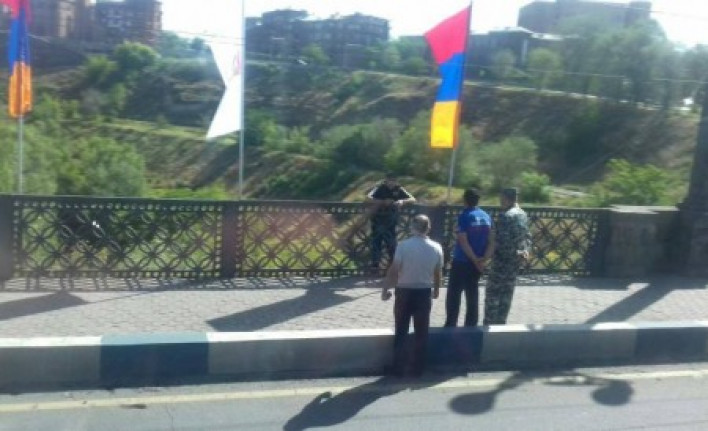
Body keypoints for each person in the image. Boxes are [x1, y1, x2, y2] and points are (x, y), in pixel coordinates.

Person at [381, 214, 443, 377]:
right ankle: (418, 368)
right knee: (421, 332)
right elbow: (437, 273)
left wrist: (385, 289)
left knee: (401, 330)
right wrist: (437, 290)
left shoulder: (403, 246)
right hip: (424, 292)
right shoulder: (436, 247)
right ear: (428, 228)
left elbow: (394, 270)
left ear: (412, 228)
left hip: (404, 292)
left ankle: (398, 368)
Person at [444, 189, 493, 327]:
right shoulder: (486, 216)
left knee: (454, 294)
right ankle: (471, 325)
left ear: (464, 200)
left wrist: (474, 259)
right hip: (478, 263)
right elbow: (492, 241)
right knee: (472, 293)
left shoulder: (465, 216)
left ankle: (451, 324)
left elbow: (463, 241)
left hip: (462, 261)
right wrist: (484, 259)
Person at [484, 188, 532, 325]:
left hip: (501, 264)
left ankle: (489, 327)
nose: (500, 201)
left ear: (506, 198)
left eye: (501, 198)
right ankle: (501, 326)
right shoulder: (523, 214)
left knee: (493, 297)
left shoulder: (506, 216)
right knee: (507, 296)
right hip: (514, 264)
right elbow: (528, 237)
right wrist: (525, 251)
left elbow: (502, 243)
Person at [366, 173, 416, 270]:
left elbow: (413, 199)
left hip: (390, 222)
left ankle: (392, 267)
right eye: (390, 180)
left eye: (393, 180)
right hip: (378, 221)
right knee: (376, 243)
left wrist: (402, 201)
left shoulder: (399, 189)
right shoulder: (380, 188)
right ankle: (375, 267)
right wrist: (383, 202)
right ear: (386, 181)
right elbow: (368, 198)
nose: (391, 183)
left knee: (392, 245)